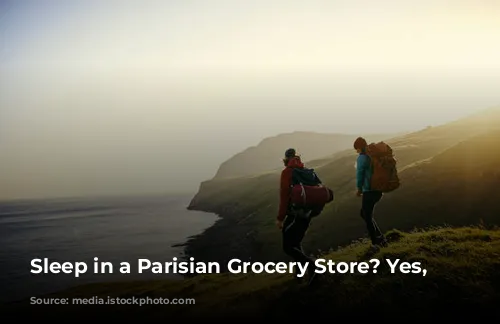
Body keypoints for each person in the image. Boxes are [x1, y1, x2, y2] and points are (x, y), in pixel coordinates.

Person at [276, 148, 324, 285]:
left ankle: (313, 266)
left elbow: (284, 197)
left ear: (286, 159)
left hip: (294, 214)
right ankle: (299, 276)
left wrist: (280, 218)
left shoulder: (287, 173)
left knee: (288, 247)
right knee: (296, 243)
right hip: (307, 213)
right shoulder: (306, 170)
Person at [353, 137, 388, 248]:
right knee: (365, 214)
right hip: (378, 189)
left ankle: (376, 242)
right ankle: (380, 238)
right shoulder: (372, 156)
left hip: (369, 191)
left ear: (359, 147)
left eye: (356, 149)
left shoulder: (362, 158)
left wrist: (359, 189)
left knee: (366, 215)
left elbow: (360, 175)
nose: (356, 151)